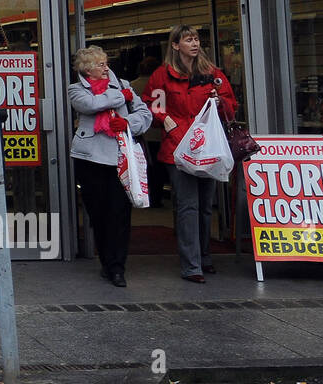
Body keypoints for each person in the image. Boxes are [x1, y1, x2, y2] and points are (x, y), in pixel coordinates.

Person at [148, 25, 238, 283]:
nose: (194, 44)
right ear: (175, 45)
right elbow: (152, 107)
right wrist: (166, 121)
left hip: (206, 148)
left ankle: (204, 257)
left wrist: (221, 103)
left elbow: (231, 105)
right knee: (188, 206)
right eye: (188, 40)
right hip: (177, 149)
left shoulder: (212, 74)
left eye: (196, 39)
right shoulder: (161, 76)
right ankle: (192, 265)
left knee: (205, 207)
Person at [69, 46, 153, 287]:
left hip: (120, 157)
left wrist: (127, 123)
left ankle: (117, 267)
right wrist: (121, 96)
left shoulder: (124, 83)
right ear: (86, 70)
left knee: (119, 213)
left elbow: (144, 114)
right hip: (89, 158)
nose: (106, 68)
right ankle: (106, 261)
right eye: (100, 65)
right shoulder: (76, 90)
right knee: (98, 213)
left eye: (106, 63)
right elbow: (91, 105)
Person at [131, 55, 166, 206]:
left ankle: (142, 195)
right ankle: (157, 197)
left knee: (142, 167)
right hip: (159, 133)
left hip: (141, 134)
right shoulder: (161, 86)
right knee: (158, 168)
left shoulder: (132, 86)